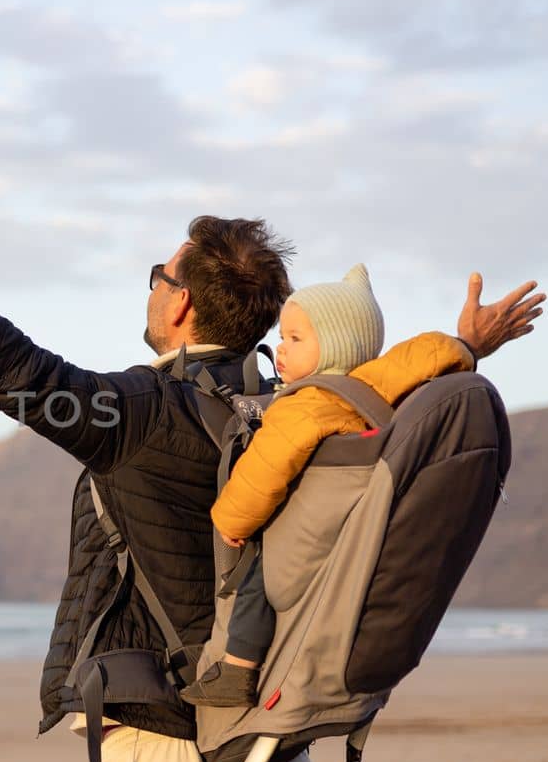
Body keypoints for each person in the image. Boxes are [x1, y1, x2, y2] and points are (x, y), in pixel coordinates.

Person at [0, 163, 544, 762]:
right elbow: (385, 386)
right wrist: (467, 348)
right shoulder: (304, 413)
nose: (153, 291)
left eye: (159, 277)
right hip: (277, 758)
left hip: (163, 761)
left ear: (180, 305)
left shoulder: (142, 412)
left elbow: (20, 372)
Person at [179, 264, 478, 708]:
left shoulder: (306, 406)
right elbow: (422, 354)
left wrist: (230, 520)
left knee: (257, 576)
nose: (280, 349)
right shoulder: (377, 386)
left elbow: (264, 469)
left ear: (339, 346)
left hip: (308, 532)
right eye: (282, 337)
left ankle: (238, 669)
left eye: (296, 339)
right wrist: (464, 347)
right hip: (354, 533)